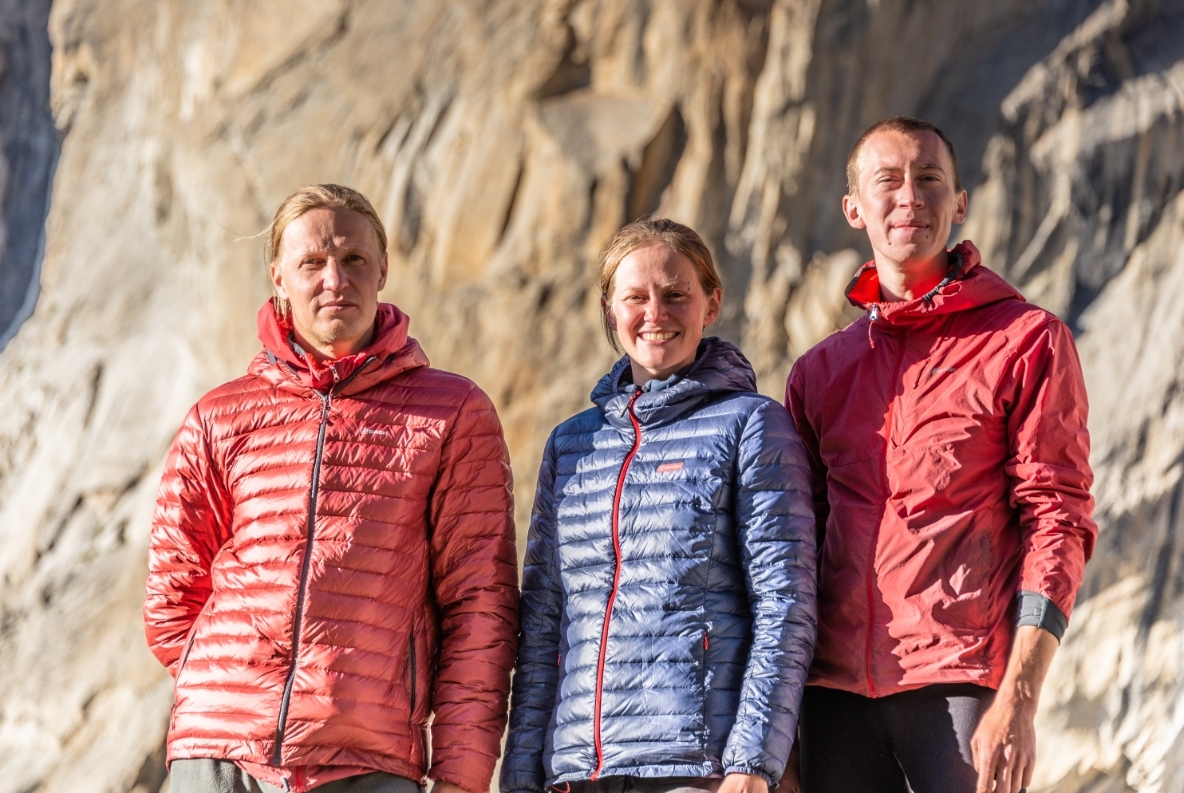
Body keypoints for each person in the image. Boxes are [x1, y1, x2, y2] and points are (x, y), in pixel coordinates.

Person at [144, 184, 519, 793]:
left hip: (367, 760)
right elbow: (172, 597)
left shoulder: (452, 412)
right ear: (279, 277)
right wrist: (232, 686)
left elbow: (480, 604)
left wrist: (461, 775)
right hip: (216, 759)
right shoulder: (218, 416)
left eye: (353, 259)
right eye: (312, 262)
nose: (335, 280)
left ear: (383, 270)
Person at [784, 117, 1097, 793]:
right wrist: (776, 734)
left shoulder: (1026, 341)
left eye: (929, 178)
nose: (910, 197)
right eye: (888, 180)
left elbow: (1059, 519)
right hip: (832, 697)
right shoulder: (818, 372)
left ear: (959, 203)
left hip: (962, 684)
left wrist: (1020, 697)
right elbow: (794, 548)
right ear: (854, 208)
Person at [500, 218, 818, 793]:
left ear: (712, 304)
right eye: (636, 297)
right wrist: (521, 776)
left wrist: (752, 762)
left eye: (675, 294)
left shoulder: (753, 425)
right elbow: (544, 624)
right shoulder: (571, 444)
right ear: (609, 309)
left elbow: (785, 605)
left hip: (697, 767)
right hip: (577, 772)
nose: (656, 313)